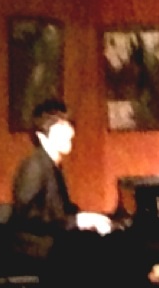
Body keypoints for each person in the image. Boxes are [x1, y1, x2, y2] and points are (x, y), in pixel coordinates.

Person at [11, 98, 112, 261]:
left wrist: (88, 218)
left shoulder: (51, 165)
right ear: (41, 136)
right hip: (36, 248)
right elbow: (28, 217)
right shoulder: (34, 166)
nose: (70, 132)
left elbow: (63, 212)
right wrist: (78, 221)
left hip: (51, 243)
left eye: (68, 125)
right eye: (61, 127)